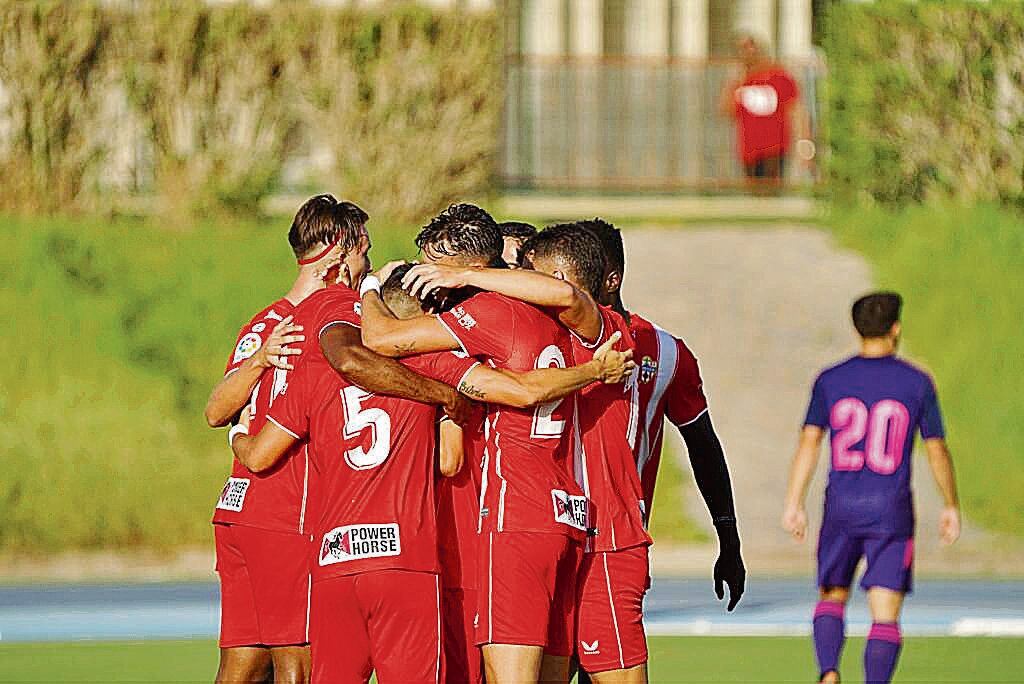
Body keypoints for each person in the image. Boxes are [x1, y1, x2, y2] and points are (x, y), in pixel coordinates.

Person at [401, 223, 655, 681]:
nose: (523, 287)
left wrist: (464, 277)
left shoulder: (604, 333)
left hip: (596, 533)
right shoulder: (542, 337)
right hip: (569, 521)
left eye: (531, 277)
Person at [358, 204, 593, 684]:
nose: (423, 280)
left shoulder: (483, 313)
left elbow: (380, 340)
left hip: (512, 516)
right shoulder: (558, 314)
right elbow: (568, 295)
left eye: (429, 268)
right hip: (562, 510)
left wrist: (366, 286)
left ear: (457, 268)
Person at [203, 194, 368, 684]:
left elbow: (217, 413)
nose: (369, 264)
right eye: (366, 250)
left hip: (239, 512)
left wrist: (255, 365)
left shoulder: (264, 321)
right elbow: (219, 412)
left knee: (244, 663)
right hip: (286, 510)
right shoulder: (334, 324)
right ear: (341, 252)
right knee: (301, 659)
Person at [781, 292, 961, 684]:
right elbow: (936, 450)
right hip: (890, 509)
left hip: (841, 505)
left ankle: (828, 673)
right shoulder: (916, 382)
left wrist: (794, 502)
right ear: (895, 328)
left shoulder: (831, 379)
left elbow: (809, 442)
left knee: (832, 594)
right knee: (885, 611)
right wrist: (950, 504)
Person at [579, 218, 746, 614]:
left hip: (617, 542)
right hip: (544, 534)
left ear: (610, 279)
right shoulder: (541, 338)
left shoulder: (667, 353)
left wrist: (729, 538)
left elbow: (703, 445)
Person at [720, 33, 813, 191]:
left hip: (775, 147)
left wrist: (804, 143)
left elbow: (796, 111)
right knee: (754, 193)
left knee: (771, 190)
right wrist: (734, 80)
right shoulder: (741, 81)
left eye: (750, 48)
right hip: (749, 149)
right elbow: (726, 111)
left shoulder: (779, 76)